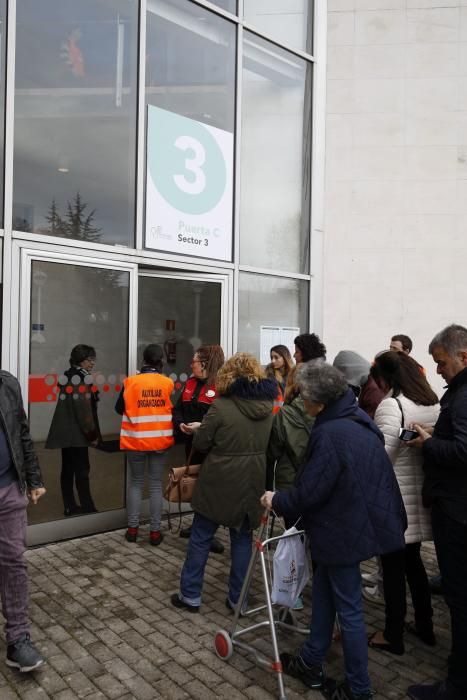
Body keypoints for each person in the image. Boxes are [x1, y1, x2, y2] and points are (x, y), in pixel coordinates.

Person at [261, 360, 406, 700]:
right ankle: (311, 659)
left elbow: (310, 492)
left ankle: (359, 688)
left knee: (350, 611)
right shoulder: (357, 420)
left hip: (342, 529)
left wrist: (276, 499)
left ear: (320, 403)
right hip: (351, 525)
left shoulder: (329, 433)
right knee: (325, 594)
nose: (302, 403)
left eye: (305, 399)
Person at [171, 352, 276, 613]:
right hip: (252, 479)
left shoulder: (221, 406)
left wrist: (200, 429)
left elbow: (201, 443)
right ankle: (238, 599)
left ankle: (190, 595)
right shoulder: (269, 409)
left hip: (219, 478)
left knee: (201, 536)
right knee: (242, 539)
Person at [406, 324, 467, 700]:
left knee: (459, 598)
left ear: (463, 356)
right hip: (457, 506)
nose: (439, 370)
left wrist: (428, 444)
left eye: (442, 363)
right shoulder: (459, 395)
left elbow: (464, 452)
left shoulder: (463, 397)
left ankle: (458, 684)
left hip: (457, 511)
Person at [367, 351, 439, 656]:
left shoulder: (391, 404)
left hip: (395, 500)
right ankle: (425, 625)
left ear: (385, 378)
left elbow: (381, 458)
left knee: (394, 569)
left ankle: (392, 634)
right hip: (421, 496)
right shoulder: (431, 402)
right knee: (414, 565)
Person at [0, 370, 46, 672]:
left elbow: (22, 435)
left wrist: (33, 479)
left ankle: (17, 639)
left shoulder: (8, 384)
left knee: (14, 563)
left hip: (9, 490)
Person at [115, 344, 174, 546]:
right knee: (156, 484)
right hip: (158, 440)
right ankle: (155, 533)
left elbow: (118, 408)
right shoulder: (167, 383)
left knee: (136, 483)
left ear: (144, 360)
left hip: (135, 440)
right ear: (161, 361)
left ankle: (132, 530)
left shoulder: (131, 382)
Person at [172, 344, 225, 553]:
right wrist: (180, 424)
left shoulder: (220, 387)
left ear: (204, 364)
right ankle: (198, 525)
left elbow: (221, 420)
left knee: (209, 489)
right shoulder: (190, 383)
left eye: (194, 361)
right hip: (191, 445)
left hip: (212, 449)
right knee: (195, 485)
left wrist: (200, 428)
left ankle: (209, 533)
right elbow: (177, 410)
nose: (190, 364)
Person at [46, 344, 101, 516]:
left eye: (93, 359)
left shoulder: (70, 375)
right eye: (89, 360)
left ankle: (70, 506)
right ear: (80, 361)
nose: (92, 363)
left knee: (68, 469)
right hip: (76, 434)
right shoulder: (79, 378)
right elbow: (83, 410)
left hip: (68, 432)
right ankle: (87, 507)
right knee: (82, 470)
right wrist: (92, 434)